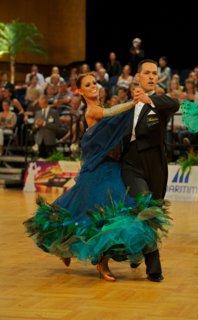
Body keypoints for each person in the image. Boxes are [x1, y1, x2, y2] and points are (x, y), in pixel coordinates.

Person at [24, 73, 171, 282]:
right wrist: (135, 102)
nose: (93, 86)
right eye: (87, 84)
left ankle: (70, 251)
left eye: (94, 82)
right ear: (80, 91)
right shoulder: (93, 110)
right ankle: (98, 262)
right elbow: (112, 112)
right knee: (96, 215)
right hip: (99, 172)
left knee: (106, 214)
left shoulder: (101, 107)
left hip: (113, 168)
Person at [121, 59, 180, 282]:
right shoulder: (128, 106)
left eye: (155, 73)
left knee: (151, 214)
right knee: (143, 204)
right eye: (147, 73)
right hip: (131, 164)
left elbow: (174, 103)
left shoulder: (160, 103)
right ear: (138, 76)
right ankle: (154, 267)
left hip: (155, 164)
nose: (152, 76)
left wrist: (150, 99)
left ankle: (137, 249)